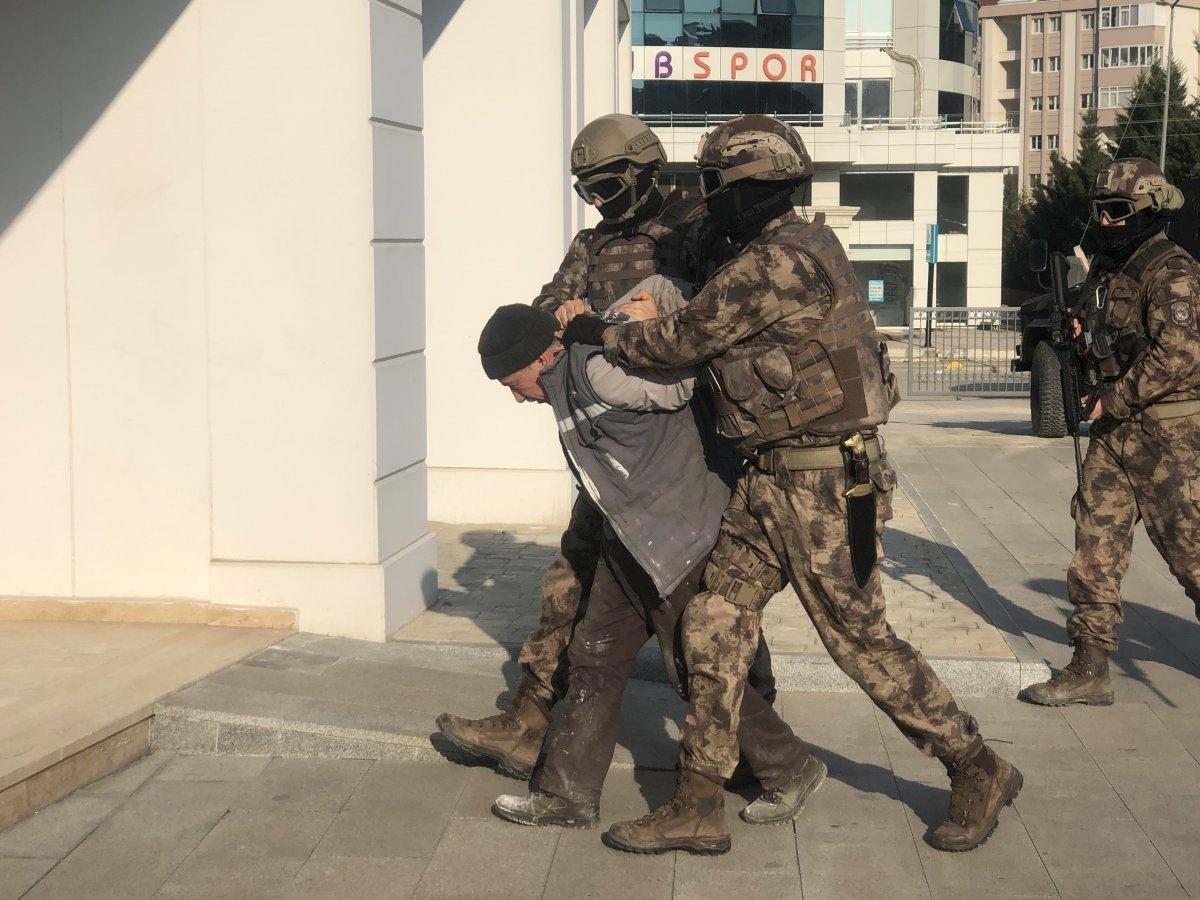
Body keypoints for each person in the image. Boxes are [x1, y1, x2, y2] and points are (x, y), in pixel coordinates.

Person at [562, 114, 1022, 854]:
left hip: (826, 485)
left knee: (858, 640)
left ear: (748, 190)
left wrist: (599, 331)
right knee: (712, 621)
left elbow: (681, 339)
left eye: (716, 187)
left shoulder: (780, 262)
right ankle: (698, 802)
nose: (708, 201)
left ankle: (976, 764)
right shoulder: (778, 247)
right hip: (770, 477)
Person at [436, 113, 777, 782]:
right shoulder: (591, 244)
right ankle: (531, 719)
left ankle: (749, 739)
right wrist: (576, 319)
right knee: (569, 578)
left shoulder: (694, 229)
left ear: (647, 172)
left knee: (717, 603)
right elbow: (547, 311)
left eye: (609, 186)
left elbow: (726, 314)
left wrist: (656, 310)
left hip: (687, 446)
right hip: (614, 453)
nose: (599, 201)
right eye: (588, 189)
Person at [475, 281, 824, 855]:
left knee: (695, 668)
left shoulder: (595, 370)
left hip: (680, 537)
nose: (516, 398)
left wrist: (622, 323)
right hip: (634, 542)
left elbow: (677, 380)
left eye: (513, 384)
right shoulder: (568, 380)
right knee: (593, 657)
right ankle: (567, 795)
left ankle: (789, 766)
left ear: (539, 358)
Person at [1021, 157, 1200, 707]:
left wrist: (1113, 398)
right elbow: (1107, 335)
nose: (1106, 222)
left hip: (1170, 440)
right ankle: (1089, 666)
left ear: (1149, 209)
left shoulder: (1174, 272)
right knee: (1094, 549)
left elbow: (1179, 355)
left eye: (1118, 210)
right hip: (1114, 435)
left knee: (1191, 555)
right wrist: (1082, 332)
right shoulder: (1109, 272)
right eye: (1099, 211)